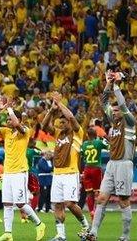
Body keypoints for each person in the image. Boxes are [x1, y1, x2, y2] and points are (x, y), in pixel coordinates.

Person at [83, 72, 135, 241]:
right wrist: (107, 84)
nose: (113, 112)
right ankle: (93, 233)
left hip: (124, 164)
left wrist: (117, 85)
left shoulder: (130, 122)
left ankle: (125, 236)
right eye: (112, 111)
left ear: (122, 111)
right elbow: (104, 102)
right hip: (112, 164)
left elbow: (122, 104)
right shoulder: (113, 125)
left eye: (115, 110)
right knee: (102, 198)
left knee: (123, 201)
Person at [0, 96, 45, 241]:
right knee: (7, 203)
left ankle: (39, 224)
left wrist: (10, 109)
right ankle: (8, 233)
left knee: (20, 203)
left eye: (9, 119)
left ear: (18, 119)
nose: (7, 122)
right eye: (6, 120)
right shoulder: (6, 132)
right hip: (8, 173)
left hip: (20, 172)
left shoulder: (25, 130)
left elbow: (17, 124)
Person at [41, 93, 90, 240]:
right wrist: (51, 109)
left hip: (70, 173)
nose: (61, 125)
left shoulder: (77, 132)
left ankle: (86, 226)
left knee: (70, 203)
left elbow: (72, 118)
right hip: (57, 174)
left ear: (69, 122)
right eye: (60, 123)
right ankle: (61, 235)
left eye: (64, 122)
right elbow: (43, 126)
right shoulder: (58, 134)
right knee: (58, 205)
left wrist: (59, 103)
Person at [79, 127, 107, 219]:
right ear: (95, 135)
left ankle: (91, 210)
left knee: (89, 192)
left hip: (87, 169)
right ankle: (98, 211)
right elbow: (109, 146)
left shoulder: (84, 144)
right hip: (96, 168)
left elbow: (81, 156)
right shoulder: (98, 142)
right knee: (98, 191)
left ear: (87, 135)